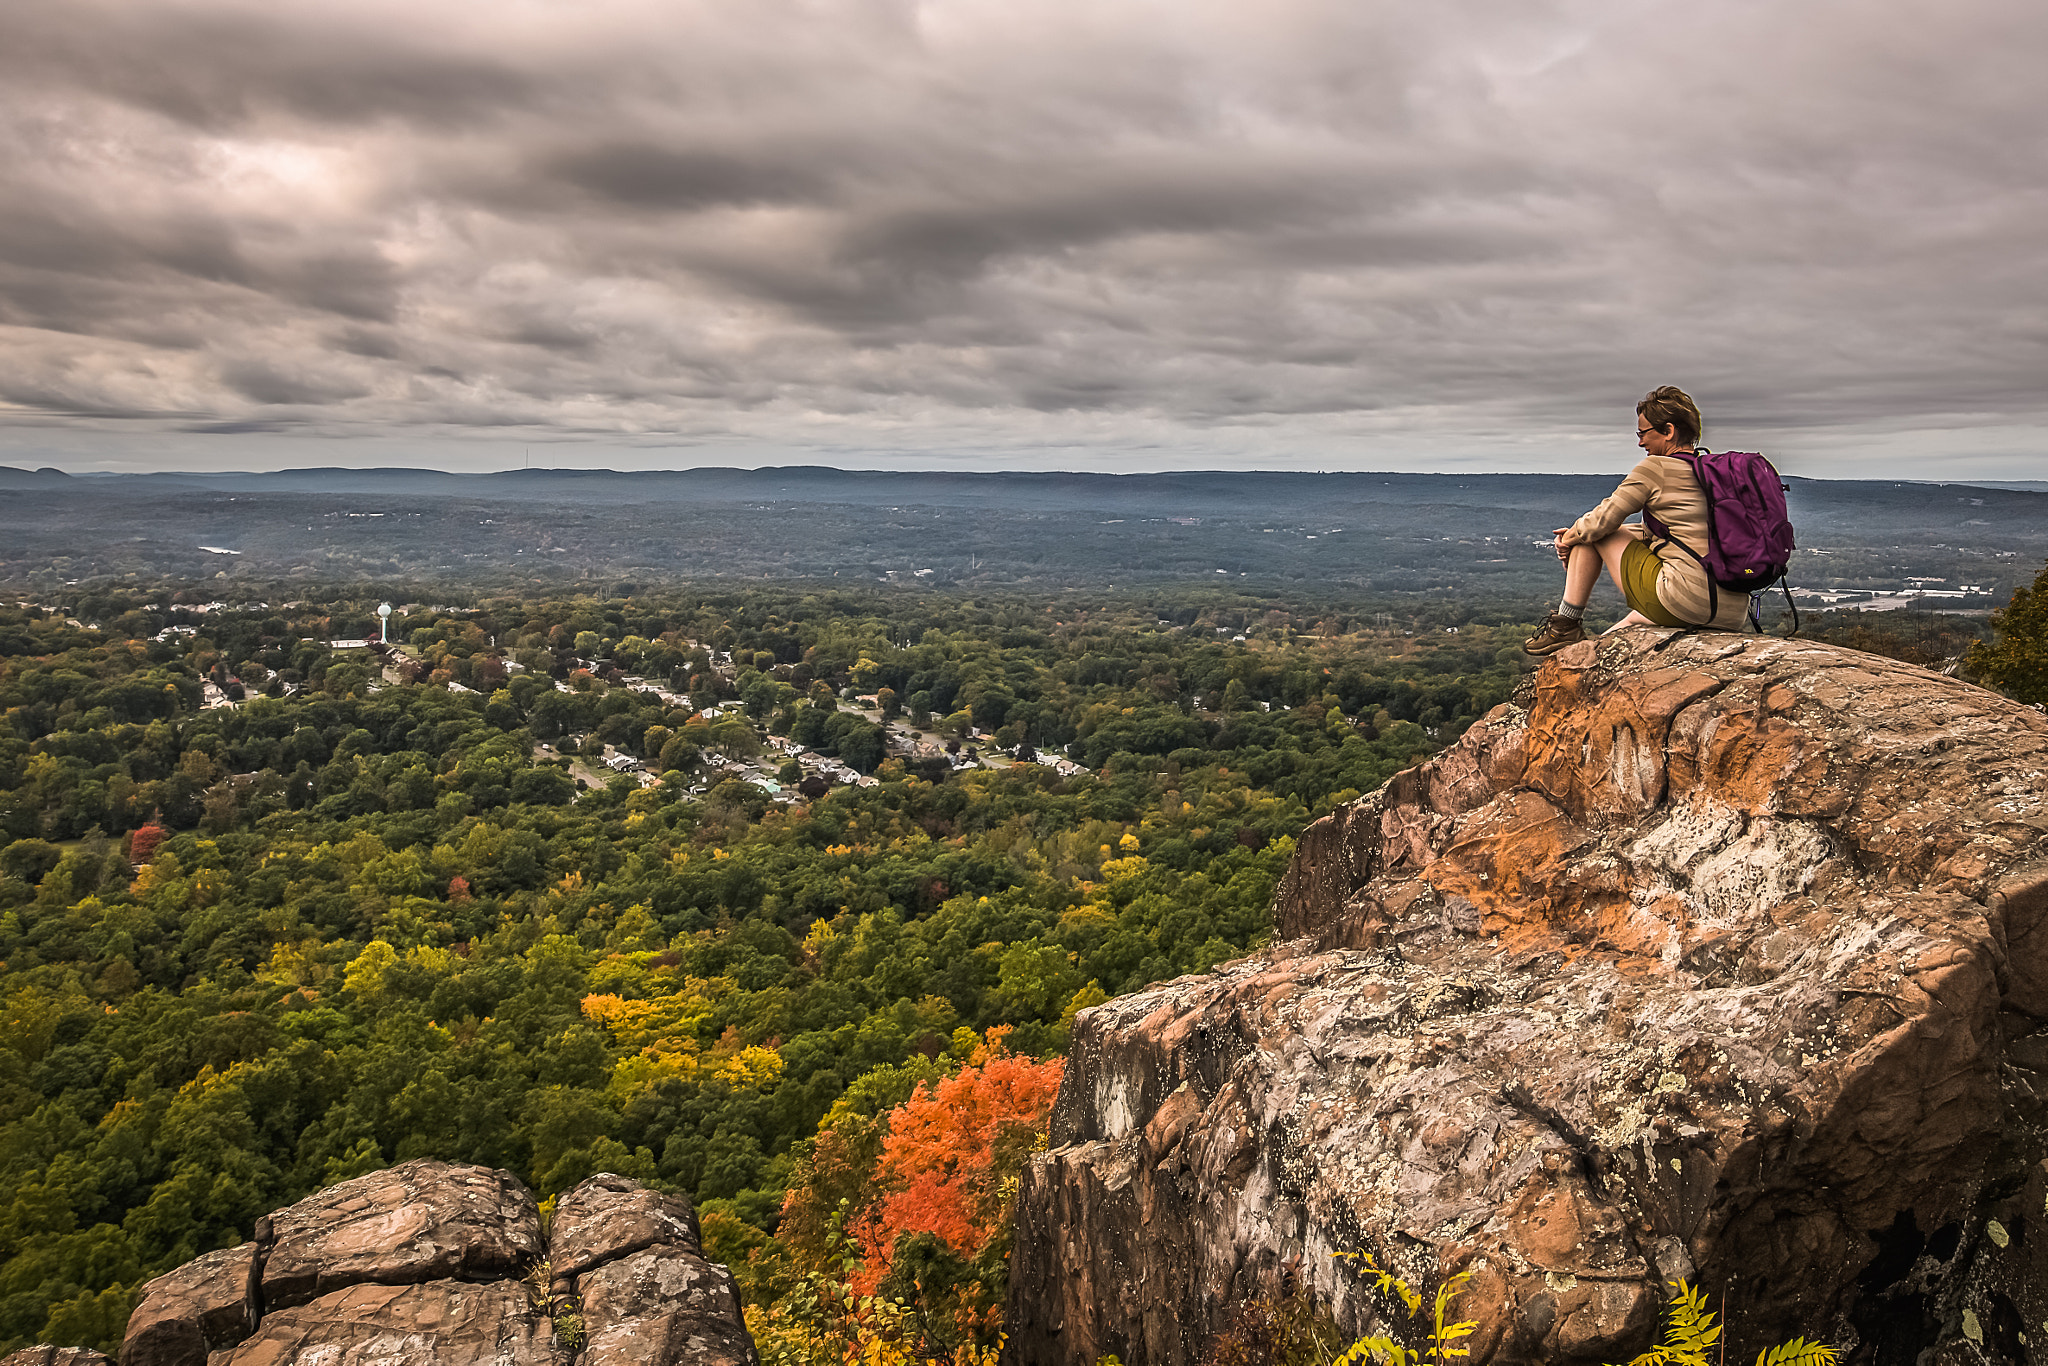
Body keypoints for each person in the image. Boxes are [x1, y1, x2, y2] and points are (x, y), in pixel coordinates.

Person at [1524, 386, 1752, 656]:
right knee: (1607, 640)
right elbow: (1670, 535)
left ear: (1668, 431)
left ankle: (1566, 624)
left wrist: (1568, 539)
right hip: (1733, 613)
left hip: (1683, 601)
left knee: (1595, 533)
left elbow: (1601, 522)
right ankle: (1583, 646)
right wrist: (1578, 533)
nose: (1640, 443)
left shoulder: (1655, 468)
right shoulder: (1716, 475)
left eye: (1643, 433)